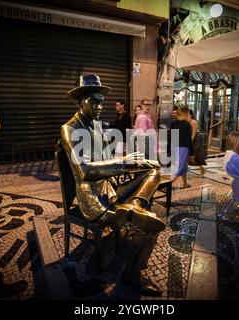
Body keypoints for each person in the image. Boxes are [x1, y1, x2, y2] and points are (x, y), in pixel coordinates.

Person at [61, 74, 165, 296]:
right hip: (95, 202)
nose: (100, 106)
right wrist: (124, 163)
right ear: (80, 101)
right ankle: (132, 274)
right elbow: (85, 170)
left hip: (110, 190)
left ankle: (135, 204)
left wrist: (134, 162)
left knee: (153, 170)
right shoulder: (69, 129)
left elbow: (107, 158)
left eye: (101, 101)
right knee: (150, 222)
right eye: (94, 101)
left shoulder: (97, 127)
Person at [170, 106, 193, 188]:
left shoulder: (173, 123)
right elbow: (188, 140)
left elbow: (171, 137)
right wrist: (192, 153)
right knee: (181, 167)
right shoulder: (187, 125)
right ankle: (167, 184)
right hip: (183, 149)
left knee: (183, 166)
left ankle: (185, 183)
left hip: (174, 147)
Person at [188, 109, 206, 174]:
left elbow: (193, 134)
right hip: (187, 139)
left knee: (195, 157)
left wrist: (190, 142)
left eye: (188, 114)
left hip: (193, 141)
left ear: (191, 115)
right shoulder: (186, 122)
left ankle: (201, 167)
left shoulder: (193, 122)